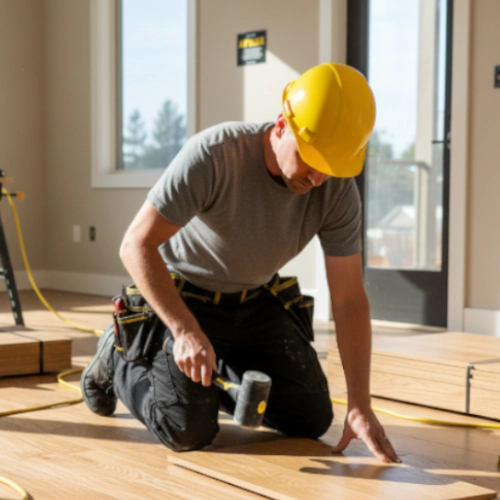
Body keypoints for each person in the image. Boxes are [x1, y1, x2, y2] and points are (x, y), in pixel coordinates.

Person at [81, 62, 401, 463]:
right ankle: (116, 354)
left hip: (254, 302)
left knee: (311, 415)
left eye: (331, 166)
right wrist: (183, 330)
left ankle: (216, 377)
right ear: (283, 125)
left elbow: (350, 298)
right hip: (183, 299)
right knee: (188, 429)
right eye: (312, 159)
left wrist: (359, 403)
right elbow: (135, 245)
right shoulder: (215, 155)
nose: (318, 179)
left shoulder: (336, 191)